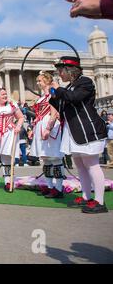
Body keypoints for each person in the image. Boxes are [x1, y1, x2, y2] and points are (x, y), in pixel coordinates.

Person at [49, 56, 108, 213]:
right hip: (74, 131)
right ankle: (86, 196)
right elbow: (62, 107)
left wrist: (59, 90)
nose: (59, 74)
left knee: (92, 164)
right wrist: (54, 96)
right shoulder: (68, 87)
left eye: (61, 70)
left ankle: (100, 201)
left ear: (70, 71)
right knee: (80, 166)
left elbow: (74, 98)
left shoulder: (85, 82)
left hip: (87, 129)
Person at [30, 72, 65, 198]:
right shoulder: (42, 96)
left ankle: (59, 188)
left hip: (50, 125)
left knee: (55, 157)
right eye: (37, 81)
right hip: (41, 125)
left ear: (47, 80)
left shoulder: (52, 93)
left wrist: (48, 128)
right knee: (46, 158)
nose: (38, 83)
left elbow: (54, 112)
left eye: (40, 80)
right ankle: (50, 186)